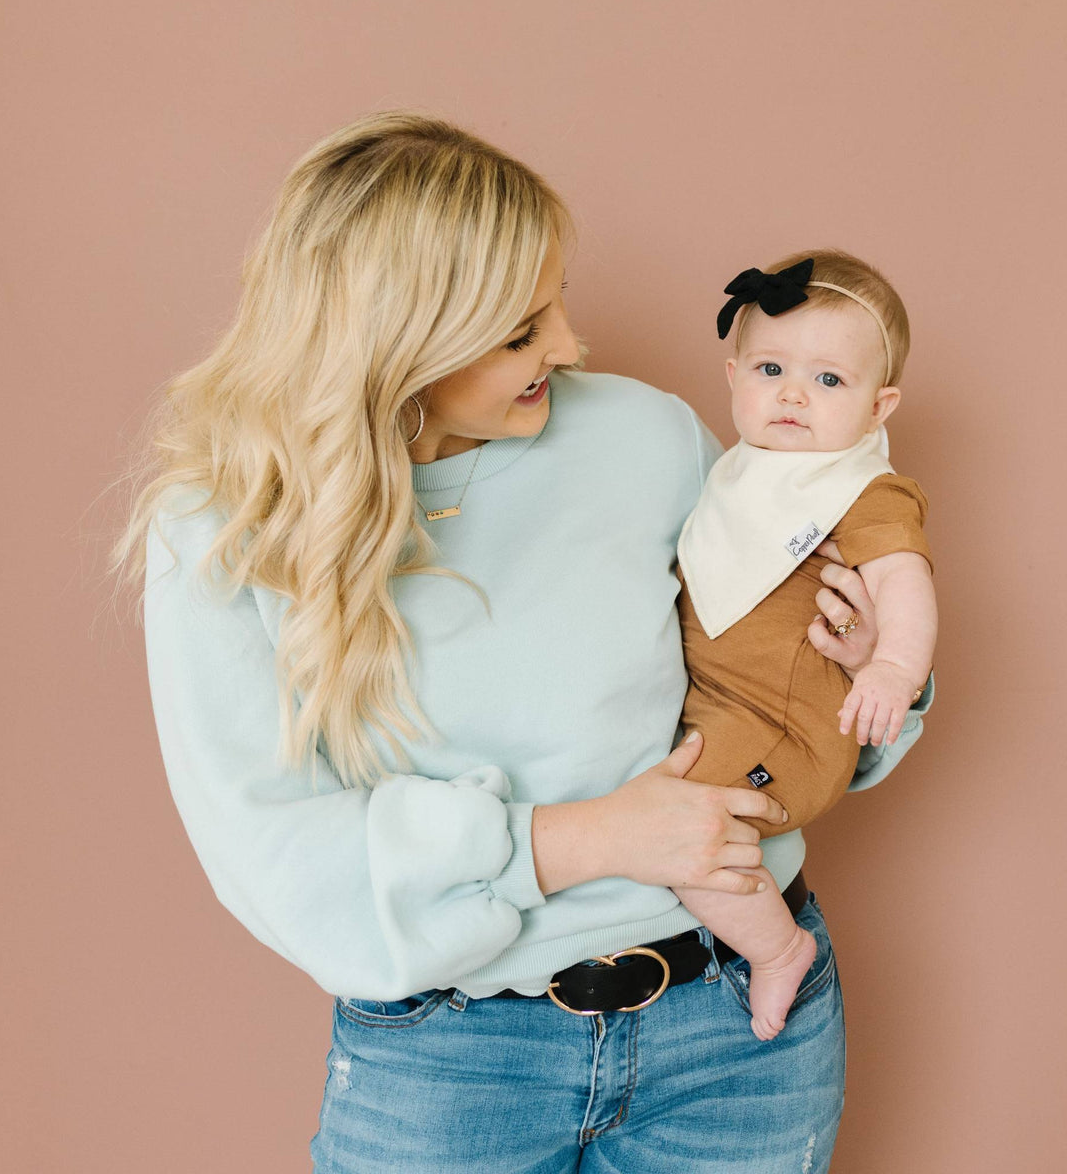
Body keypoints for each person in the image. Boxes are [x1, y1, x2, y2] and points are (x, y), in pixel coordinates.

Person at [111, 112, 934, 1173]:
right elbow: (275, 857)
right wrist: (593, 838)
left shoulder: (645, 436)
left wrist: (874, 669)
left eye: (556, 304)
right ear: (395, 342)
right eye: (518, 332)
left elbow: (795, 712)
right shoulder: (223, 526)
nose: (569, 347)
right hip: (450, 1065)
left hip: (736, 1036)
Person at [672, 250, 937, 1040]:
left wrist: (889, 668)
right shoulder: (733, 475)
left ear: (879, 405)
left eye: (829, 381)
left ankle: (778, 949)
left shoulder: (860, 489)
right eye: (771, 368)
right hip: (721, 708)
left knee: (687, 832)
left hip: (786, 730)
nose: (792, 393)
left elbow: (904, 581)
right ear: (732, 376)